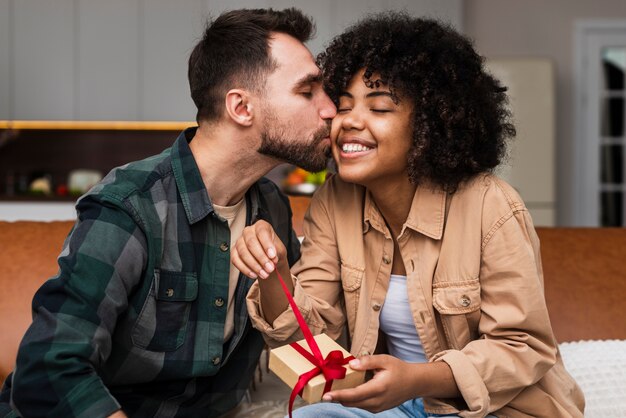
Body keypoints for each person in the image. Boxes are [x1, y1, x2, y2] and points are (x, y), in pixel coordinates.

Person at [232, 12, 585, 418]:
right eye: (343, 106)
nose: (350, 121)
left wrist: (419, 379)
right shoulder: (335, 200)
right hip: (400, 407)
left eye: (380, 108)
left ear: (429, 125)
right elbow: (315, 340)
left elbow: (523, 347)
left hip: (499, 409)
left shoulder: (492, 206)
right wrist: (274, 273)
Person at [0, 8, 336, 418]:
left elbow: (298, 347)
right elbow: (48, 369)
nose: (330, 109)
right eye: (308, 91)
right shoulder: (130, 205)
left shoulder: (271, 208)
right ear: (241, 107)